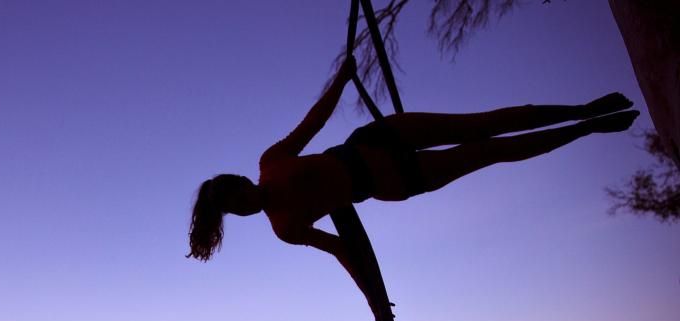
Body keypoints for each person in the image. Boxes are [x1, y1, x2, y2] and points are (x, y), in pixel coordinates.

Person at [188, 55, 639, 264]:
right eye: (235, 206)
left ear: (242, 181)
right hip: (396, 181)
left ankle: (583, 109)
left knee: (482, 125)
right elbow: (344, 250)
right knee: (491, 152)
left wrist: (343, 81)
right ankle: (586, 127)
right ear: (237, 213)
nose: (245, 201)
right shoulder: (285, 227)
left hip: (376, 139)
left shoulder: (272, 161)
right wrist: (376, 304)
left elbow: (313, 124)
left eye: (237, 192)